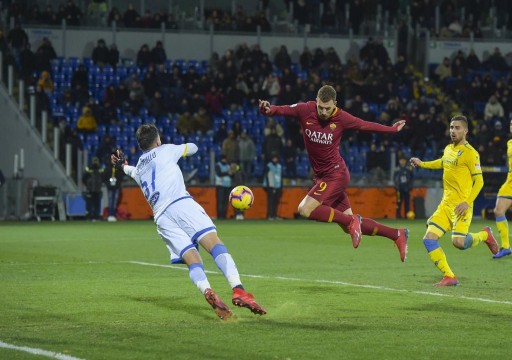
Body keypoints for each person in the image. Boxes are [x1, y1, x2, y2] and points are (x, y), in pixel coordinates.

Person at [111, 123, 265, 319]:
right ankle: (239, 290)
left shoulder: (140, 167)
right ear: (158, 140)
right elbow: (193, 148)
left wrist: (122, 165)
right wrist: (182, 149)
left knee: (193, 261)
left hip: (161, 218)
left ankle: (207, 291)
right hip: (180, 204)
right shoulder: (166, 150)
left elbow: (129, 171)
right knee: (214, 245)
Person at [259, 85, 409, 262]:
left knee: (305, 209)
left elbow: (364, 125)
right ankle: (397, 234)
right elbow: (282, 110)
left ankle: (351, 221)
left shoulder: (341, 117)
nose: (323, 112)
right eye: (320, 107)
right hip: (322, 177)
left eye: (327, 108)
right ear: (316, 102)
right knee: (348, 226)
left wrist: (391, 129)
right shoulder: (305, 109)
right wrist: (269, 110)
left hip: (336, 174)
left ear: (335, 104)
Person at [410, 115, 500, 286]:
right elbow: (442, 163)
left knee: (458, 243)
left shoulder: (471, 153)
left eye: (457, 128)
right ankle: (449, 276)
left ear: (466, 131)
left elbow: (480, 181)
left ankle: (485, 235)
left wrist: (467, 202)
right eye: (451, 127)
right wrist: (422, 164)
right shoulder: (448, 149)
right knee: (428, 239)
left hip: (461, 206)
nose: (453, 131)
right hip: (445, 205)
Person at [492, 118, 512, 259]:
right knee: (499, 211)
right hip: (510, 182)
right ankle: (506, 247)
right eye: (511, 124)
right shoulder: (509, 143)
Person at [82, 157, 104, 221]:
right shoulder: (89, 168)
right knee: (89, 204)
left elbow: (103, 177)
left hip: (97, 189)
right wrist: (88, 184)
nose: (95, 162)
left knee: (96, 204)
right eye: (95, 161)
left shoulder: (100, 169)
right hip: (90, 189)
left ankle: (95, 217)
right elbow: (84, 178)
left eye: (96, 161)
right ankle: (89, 217)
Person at [263, 153, 283, 220]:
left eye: (276, 158)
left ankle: (275, 215)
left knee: (276, 202)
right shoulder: (269, 166)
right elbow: (268, 177)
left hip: (278, 186)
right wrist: (271, 187)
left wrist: (281, 187)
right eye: (274, 158)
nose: (275, 159)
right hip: (270, 186)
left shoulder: (279, 166)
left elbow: (280, 177)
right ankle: (269, 216)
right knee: (270, 202)